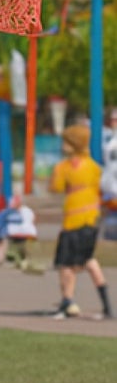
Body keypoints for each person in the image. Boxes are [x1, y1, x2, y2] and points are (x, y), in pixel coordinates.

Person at [48, 123, 111, 319]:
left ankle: (68, 302)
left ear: (72, 144)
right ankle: (104, 304)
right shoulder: (93, 167)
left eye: (65, 142)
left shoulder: (64, 167)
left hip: (73, 222)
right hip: (91, 220)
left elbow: (55, 188)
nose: (62, 145)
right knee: (88, 260)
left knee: (66, 264)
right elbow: (103, 187)